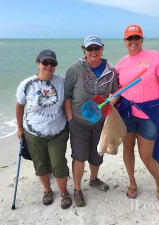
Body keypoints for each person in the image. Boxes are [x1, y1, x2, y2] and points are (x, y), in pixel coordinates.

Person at [115, 25, 159, 200]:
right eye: (130, 38)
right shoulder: (121, 64)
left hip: (147, 115)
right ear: (125, 41)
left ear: (142, 40)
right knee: (127, 148)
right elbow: (117, 89)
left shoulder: (154, 57)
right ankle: (132, 182)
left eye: (137, 38)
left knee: (146, 155)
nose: (133, 41)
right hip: (126, 114)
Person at [64, 35, 119, 207]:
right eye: (90, 48)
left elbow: (116, 93)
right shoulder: (75, 69)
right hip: (79, 121)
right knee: (79, 156)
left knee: (97, 154)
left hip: (101, 121)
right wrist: (70, 119)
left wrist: (114, 99)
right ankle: (77, 190)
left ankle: (94, 180)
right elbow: (66, 96)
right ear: (84, 50)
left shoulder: (111, 70)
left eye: (97, 48)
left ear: (102, 48)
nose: (93, 52)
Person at [15, 49, 72, 209]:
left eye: (52, 63)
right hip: (33, 133)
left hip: (58, 131)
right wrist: (19, 127)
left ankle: (63, 193)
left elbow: (67, 100)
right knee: (40, 164)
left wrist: (70, 119)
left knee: (58, 163)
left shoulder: (61, 82)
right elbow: (20, 107)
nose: (49, 66)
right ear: (38, 63)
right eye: (45, 62)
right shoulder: (26, 84)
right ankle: (47, 190)